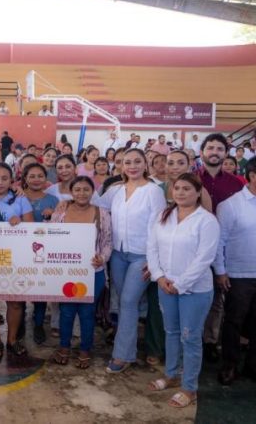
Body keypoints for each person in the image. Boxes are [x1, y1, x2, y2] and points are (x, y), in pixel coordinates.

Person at [147, 173, 219, 408]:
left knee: (190, 337)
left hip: (194, 290)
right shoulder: (164, 216)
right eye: (177, 188)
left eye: (186, 188)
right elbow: (152, 248)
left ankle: (190, 387)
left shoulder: (206, 221)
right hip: (165, 286)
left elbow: (204, 258)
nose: (180, 192)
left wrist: (180, 284)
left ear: (198, 193)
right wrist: (159, 276)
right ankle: (172, 374)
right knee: (171, 332)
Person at [96, 149, 167, 373]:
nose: (132, 166)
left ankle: (122, 355)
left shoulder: (153, 191)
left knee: (127, 302)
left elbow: (158, 227)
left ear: (146, 164)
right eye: (128, 162)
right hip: (118, 255)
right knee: (125, 302)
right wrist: (65, 204)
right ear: (121, 166)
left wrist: (153, 260)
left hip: (142, 256)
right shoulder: (116, 191)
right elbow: (94, 204)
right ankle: (129, 347)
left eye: (137, 161)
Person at [51, 176, 112, 369]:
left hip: (93, 271)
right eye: (77, 189)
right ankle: (64, 346)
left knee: (87, 312)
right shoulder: (61, 211)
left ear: (92, 192)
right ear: (71, 192)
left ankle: (85, 349)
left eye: (86, 189)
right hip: (66, 271)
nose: (82, 193)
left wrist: (102, 258)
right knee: (66, 311)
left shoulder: (101, 213)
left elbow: (107, 242)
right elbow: (51, 237)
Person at [198, 133, 244, 363]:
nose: (214, 152)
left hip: (225, 249)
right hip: (195, 248)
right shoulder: (192, 180)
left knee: (217, 299)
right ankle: (193, 339)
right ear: (202, 152)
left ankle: (209, 341)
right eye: (210, 148)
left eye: (219, 149)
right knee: (195, 296)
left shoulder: (237, 184)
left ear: (226, 153)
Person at [0, 162, 33, 360]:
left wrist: (20, 223)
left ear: (12, 180)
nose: (0, 182)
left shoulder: (20, 198)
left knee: (15, 301)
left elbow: (31, 226)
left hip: (15, 255)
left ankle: (12, 340)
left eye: (5, 178)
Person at [214, 158, 256, 386]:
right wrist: (220, 271)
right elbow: (219, 241)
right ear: (252, 175)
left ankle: (252, 365)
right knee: (234, 321)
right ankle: (229, 365)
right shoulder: (231, 205)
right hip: (239, 274)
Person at [21, 163, 59, 344]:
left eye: (40, 176)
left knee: (40, 287)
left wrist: (54, 215)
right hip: (20, 248)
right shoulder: (17, 197)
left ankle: (38, 323)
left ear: (46, 178)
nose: (36, 179)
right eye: (32, 176)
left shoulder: (53, 200)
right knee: (20, 285)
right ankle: (19, 321)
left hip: (44, 249)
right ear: (25, 178)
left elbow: (62, 225)